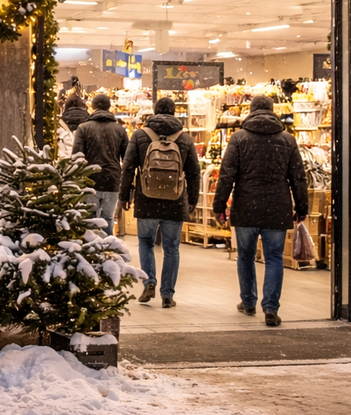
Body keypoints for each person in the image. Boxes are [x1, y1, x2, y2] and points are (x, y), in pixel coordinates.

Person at [212, 95, 308, 327]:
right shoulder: (287, 140)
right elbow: (298, 177)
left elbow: (227, 175)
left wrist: (219, 206)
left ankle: (248, 301)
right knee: (274, 257)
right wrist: (302, 207)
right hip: (277, 207)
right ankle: (271, 308)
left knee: (245, 256)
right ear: (272, 112)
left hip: (246, 205)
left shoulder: (239, 138)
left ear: (251, 112)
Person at [119, 97, 201, 307]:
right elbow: (193, 172)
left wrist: (124, 196)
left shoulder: (140, 135)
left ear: (154, 113)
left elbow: (128, 167)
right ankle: (167, 295)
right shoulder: (184, 138)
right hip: (175, 199)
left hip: (147, 198)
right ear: (174, 113)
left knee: (146, 243)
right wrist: (192, 199)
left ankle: (149, 281)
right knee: (172, 247)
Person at [71, 93, 129, 236]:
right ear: (109, 107)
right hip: (112, 179)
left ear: (92, 107)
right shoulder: (120, 130)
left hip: (90, 180)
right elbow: (127, 158)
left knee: (90, 218)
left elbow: (76, 156)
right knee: (107, 219)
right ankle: (107, 251)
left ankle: (92, 252)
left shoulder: (83, 128)